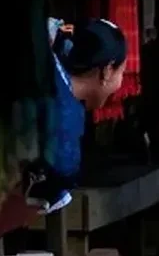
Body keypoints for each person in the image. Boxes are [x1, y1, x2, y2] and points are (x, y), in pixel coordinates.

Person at [5, 18, 128, 230]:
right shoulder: (64, 144)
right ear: (106, 71)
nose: (121, 81)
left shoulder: (39, 56)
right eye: (122, 72)